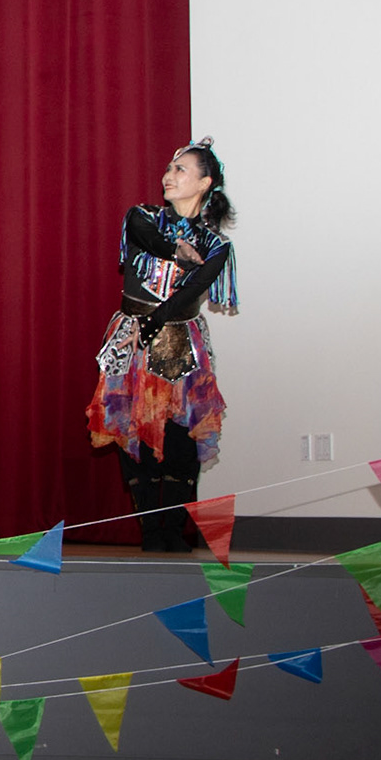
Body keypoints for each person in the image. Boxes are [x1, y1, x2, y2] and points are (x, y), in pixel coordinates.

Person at [86, 139, 238, 552]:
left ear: (204, 183)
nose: (169, 175)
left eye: (181, 169)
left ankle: (173, 531)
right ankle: (150, 532)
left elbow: (193, 290)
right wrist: (176, 249)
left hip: (178, 341)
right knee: (130, 432)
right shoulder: (143, 217)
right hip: (131, 337)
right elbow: (146, 238)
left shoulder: (216, 244)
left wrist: (153, 322)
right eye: (169, 168)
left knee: (180, 439)